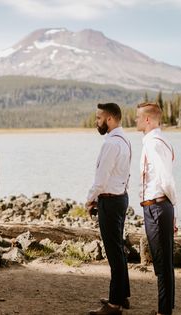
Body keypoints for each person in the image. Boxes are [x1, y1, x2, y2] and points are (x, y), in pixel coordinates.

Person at [85, 103, 131, 315]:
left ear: (110, 119)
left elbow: (101, 179)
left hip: (110, 202)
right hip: (120, 198)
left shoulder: (111, 144)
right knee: (118, 248)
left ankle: (114, 304)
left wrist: (89, 200)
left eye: (99, 118)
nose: (97, 122)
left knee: (113, 253)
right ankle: (123, 295)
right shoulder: (125, 140)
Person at [136, 102, 179, 315]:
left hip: (159, 207)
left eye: (137, 117)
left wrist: (173, 212)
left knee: (162, 263)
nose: (135, 121)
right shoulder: (158, 142)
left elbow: (166, 180)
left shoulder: (154, 143)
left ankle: (164, 311)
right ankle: (166, 308)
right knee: (163, 262)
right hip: (157, 207)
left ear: (147, 119)